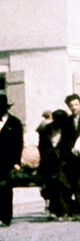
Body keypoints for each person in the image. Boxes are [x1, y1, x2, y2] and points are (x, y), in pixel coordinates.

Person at [0, 95, 24, 227]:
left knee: (6, 189)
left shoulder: (15, 122)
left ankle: (6, 217)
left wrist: (17, 162)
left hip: (8, 162)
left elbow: (18, 143)